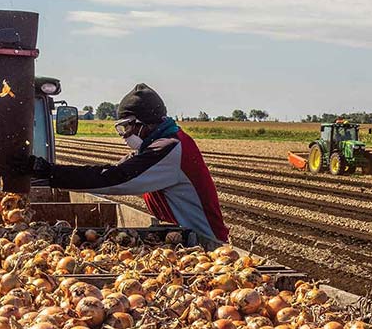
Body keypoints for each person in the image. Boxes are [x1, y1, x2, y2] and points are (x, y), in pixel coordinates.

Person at [20, 83, 228, 245]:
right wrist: (48, 173)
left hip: (205, 243)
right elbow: (111, 171)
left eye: (125, 127)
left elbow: (115, 177)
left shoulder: (170, 148)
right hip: (182, 238)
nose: (123, 136)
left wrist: (49, 172)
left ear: (143, 123)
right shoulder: (155, 147)